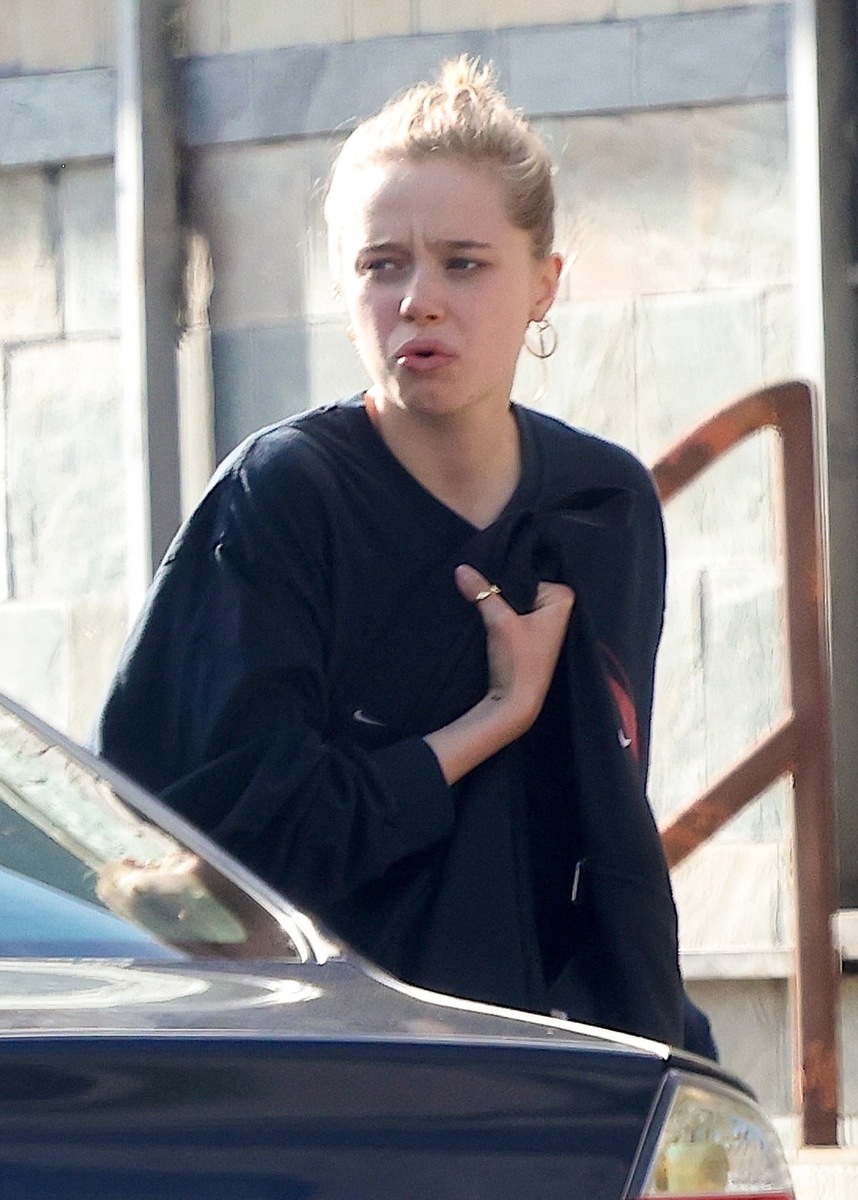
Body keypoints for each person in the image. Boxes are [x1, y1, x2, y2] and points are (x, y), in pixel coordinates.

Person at [94, 57, 714, 1055]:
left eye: (464, 263)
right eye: (382, 265)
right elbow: (224, 856)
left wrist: (653, 1048)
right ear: (345, 288)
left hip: (545, 1057)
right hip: (318, 1057)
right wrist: (490, 720)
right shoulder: (283, 496)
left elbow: (606, 827)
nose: (419, 300)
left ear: (544, 283)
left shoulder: (603, 505)